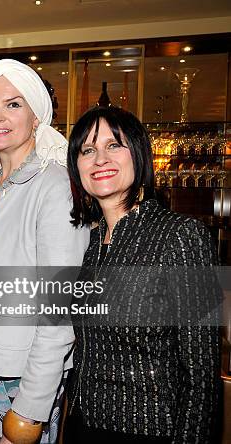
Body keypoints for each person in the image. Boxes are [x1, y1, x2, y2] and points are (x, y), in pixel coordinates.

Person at [0, 59, 90, 444]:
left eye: (13, 104)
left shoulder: (55, 185)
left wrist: (30, 408)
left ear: (37, 116)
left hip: (23, 380)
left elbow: (59, 310)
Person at [64, 105, 221, 443]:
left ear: (138, 153)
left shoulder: (182, 235)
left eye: (113, 145)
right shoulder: (91, 243)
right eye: (87, 150)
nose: (99, 158)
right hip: (83, 424)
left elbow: (202, 376)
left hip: (151, 429)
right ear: (76, 168)